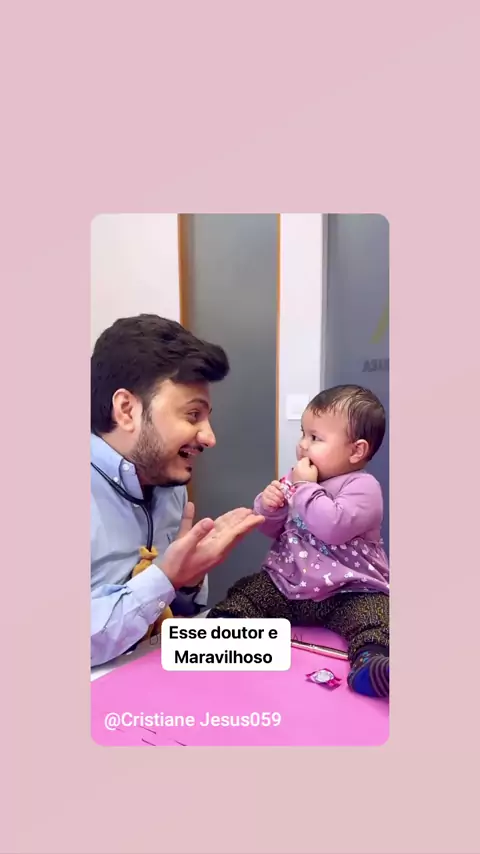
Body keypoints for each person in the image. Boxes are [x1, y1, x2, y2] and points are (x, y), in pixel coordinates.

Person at [91, 314, 264, 667]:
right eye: (192, 415)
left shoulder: (171, 489)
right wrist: (166, 577)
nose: (209, 437)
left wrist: (187, 580)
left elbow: (177, 611)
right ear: (127, 410)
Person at [207, 385, 390, 699]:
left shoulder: (363, 487)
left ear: (356, 451)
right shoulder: (297, 480)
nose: (303, 445)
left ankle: (370, 663)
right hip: (288, 586)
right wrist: (270, 506)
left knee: (376, 616)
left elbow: (332, 526)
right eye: (303, 434)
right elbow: (272, 529)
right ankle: (226, 629)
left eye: (316, 438)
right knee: (250, 591)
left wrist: (303, 488)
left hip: (348, 592)